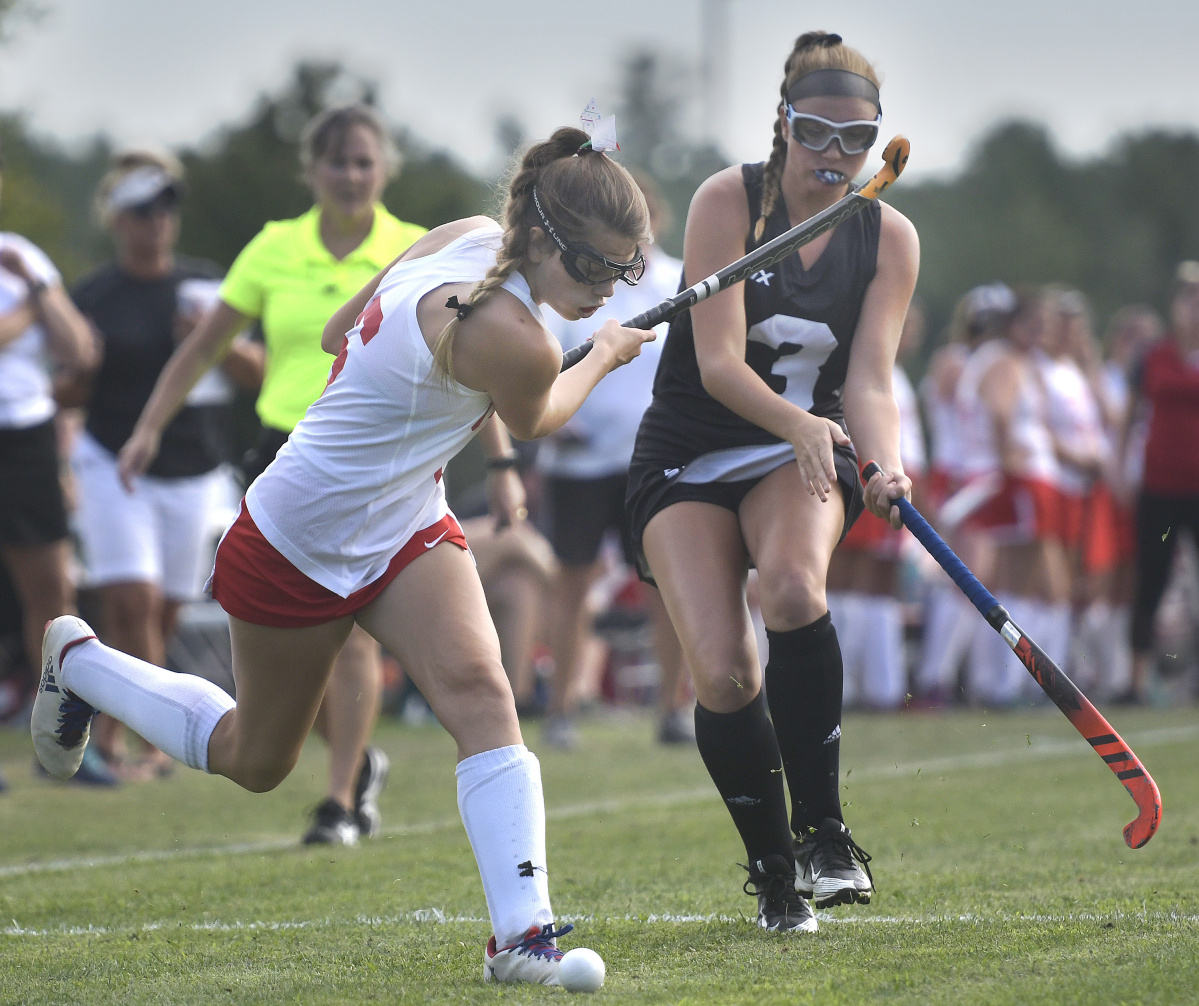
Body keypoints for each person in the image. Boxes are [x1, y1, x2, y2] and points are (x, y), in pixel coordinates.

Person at [33, 126, 654, 986]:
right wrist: (612, 353)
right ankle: (83, 664)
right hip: (299, 537)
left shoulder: (458, 236)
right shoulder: (520, 336)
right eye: (595, 270)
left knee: (481, 693)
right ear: (543, 240)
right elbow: (544, 413)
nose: (605, 292)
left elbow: (334, 331)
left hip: (402, 524)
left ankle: (522, 939)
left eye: (625, 274)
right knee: (258, 760)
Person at [625, 31, 919, 932]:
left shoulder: (889, 237)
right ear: (783, 126)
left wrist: (884, 460)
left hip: (796, 450)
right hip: (690, 447)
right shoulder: (728, 201)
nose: (833, 158)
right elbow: (715, 362)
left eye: (855, 139)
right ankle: (774, 874)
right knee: (720, 671)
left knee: (794, 589)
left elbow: (868, 377)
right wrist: (802, 426)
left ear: (874, 143)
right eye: (815, 134)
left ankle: (825, 833)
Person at [114, 107, 427, 840]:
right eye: (337, 162)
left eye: (363, 161)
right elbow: (198, 351)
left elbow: (467, 356)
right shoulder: (274, 247)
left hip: (376, 460)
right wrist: (147, 429)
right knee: (286, 645)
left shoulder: (412, 248)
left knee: (350, 634)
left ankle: (340, 801)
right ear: (311, 171)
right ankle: (353, 764)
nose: (350, 175)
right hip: (282, 455)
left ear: (383, 170)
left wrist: (502, 463)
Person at [68, 151, 263, 781]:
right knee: (133, 599)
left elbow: (257, 376)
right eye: (144, 209)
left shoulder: (207, 285)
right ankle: (149, 750)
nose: (157, 221)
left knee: (163, 613)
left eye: (166, 206)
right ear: (119, 218)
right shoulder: (94, 295)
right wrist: (81, 375)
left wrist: (214, 336)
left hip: (195, 470)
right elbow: (69, 390)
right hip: (113, 463)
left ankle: (108, 728)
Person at [538, 172, 693, 748]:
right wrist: (555, 417)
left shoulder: (679, 281)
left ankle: (674, 708)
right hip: (578, 465)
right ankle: (560, 710)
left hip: (654, 459)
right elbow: (544, 356)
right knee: (571, 586)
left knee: (663, 584)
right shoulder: (574, 284)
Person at [0, 150, 95, 789]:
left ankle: (56, 741)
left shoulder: (22, 256)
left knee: (51, 595)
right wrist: (30, 315)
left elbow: (81, 350)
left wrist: (36, 287)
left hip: (28, 437)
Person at [962, 288, 1070, 704]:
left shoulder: (1021, 362)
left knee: (1019, 579)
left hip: (1034, 476)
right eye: (1032, 323)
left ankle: (1009, 681)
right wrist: (1008, 454)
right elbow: (1001, 411)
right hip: (1027, 477)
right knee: (1031, 576)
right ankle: (1023, 682)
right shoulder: (1005, 360)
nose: (1040, 332)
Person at [826, 301, 926, 709]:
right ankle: (843, 686)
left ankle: (882, 686)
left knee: (880, 583)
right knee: (851, 578)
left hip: (900, 478)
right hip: (873, 476)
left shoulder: (897, 377)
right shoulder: (861, 371)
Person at [1126, 262, 1199, 701]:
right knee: (1151, 578)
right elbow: (1130, 414)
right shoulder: (1153, 356)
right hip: (1160, 484)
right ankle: (1137, 678)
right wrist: (1120, 464)